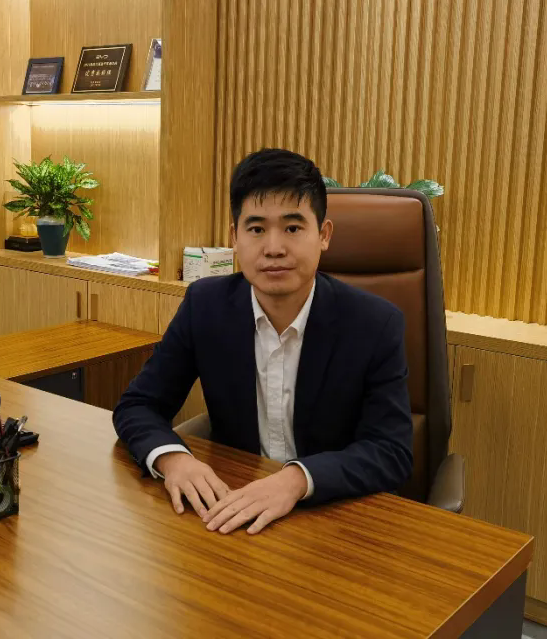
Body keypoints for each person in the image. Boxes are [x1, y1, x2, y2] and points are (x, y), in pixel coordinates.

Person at [112, 148, 413, 535]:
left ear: (323, 235)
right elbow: (139, 405)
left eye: (293, 228)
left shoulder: (375, 323)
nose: (273, 247)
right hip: (235, 508)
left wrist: (296, 480)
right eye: (256, 229)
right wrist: (174, 459)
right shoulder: (206, 306)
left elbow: (390, 451)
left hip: (335, 518)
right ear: (234, 238)